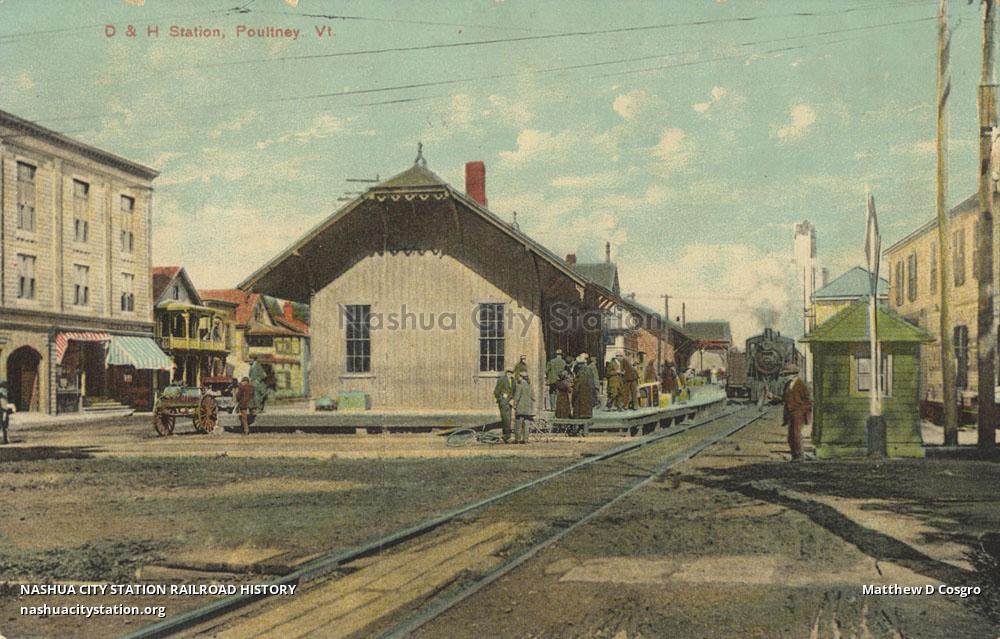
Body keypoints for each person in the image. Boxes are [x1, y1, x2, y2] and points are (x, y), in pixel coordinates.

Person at [782, 363, 812, 461]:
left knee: (796, 434)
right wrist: (773, 397)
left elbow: (808, 400)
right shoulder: (787, 385)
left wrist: (801, 411)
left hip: (798, 414)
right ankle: (795, 456)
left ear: (792, 374)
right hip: (791, 414)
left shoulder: (801, 384)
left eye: (785, 375)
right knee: (791, 436)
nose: (784, 377)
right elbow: (784, 399)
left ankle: (799, 456)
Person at [512, 371, 535, 444]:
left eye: (519, 377)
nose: (518, 378)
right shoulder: (529, 386)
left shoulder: (520, 386)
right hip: (528, 409)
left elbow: (517, 397)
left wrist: (514, 405)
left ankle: (518, 439)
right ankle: (526, 440)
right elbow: (533, 397)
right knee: (526, 425)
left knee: (518, 424)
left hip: (521, 408)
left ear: (521, 377)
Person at [493, 369, 515, 443]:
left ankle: (506, 435)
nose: (510, 374)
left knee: (508, 419)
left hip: (510, 403)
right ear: (506, 373)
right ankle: (507, 436)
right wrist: (501, 398)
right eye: (509, 373)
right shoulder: (502, 380)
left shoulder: (513, 381)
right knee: (505, 419)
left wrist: (512, 399)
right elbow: (496, 391)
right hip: (503, 403)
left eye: (511, 373)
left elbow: (514, 391)